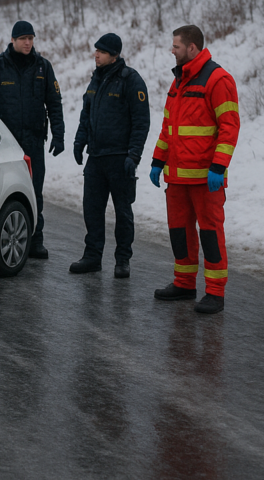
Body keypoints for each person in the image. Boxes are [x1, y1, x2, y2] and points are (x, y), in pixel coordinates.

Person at [150, 25, 240, 314]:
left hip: (205, 179)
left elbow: (229, 127)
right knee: (179, 232)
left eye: (175, 46)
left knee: (210, 233)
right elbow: (168, 129)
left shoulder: (218, 79)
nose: (171, 51)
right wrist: (156, 161)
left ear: (192, 48)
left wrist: (218, 166)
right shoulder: (178, 82)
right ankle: (184, 283)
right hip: (177, 178)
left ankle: (215, 292)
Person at [0, 20, 65, 258]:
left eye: (31, 38)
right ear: (12, 40)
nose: (27, 42)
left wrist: (59, 134)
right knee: (8, 190)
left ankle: (35, 239)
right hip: (6, 144)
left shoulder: (43, 67)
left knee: (35, 190)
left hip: (34, 141)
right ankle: (3, 236)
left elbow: (54, 103)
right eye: (23, 38)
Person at [69, 33, 150, 277]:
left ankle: (122, 260)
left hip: (120, 159)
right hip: (96, 158)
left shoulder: (131, 80)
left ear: (114, 55)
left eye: (102, 52)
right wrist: (79, 141)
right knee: (92, 210)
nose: (96, 55)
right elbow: (86, 114)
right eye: (96, 51)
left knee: (123, 212)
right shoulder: (95, 79)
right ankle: (92, 256)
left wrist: (134, 155)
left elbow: (141, 122)